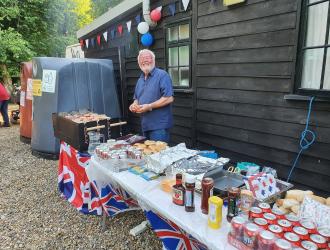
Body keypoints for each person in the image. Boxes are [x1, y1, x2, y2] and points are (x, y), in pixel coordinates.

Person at [129, 49, 174, 143]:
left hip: (159, 126)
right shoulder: (140, 79)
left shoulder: (162, 75)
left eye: (147, 58)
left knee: (159, 155)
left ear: (153, 60)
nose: (145, 61)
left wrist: (149, 106)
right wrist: (133, 105)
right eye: (142, 59)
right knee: (149, 155)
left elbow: (169, 98)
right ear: (139, 63)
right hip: (145, 125)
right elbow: (136, 98)